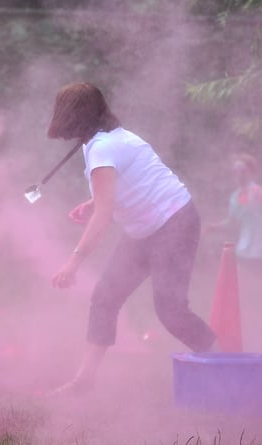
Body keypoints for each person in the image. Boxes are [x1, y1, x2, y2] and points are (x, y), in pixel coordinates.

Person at [46, 82, 217, 394]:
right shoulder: (96, 142)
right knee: (104, 298)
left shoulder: (102, 147)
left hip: (174, 221)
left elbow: (105, 215)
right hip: (142, 229)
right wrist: (93, 202)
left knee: (170, 309)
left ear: (77, 116)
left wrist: (74, 262)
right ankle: (84, 382)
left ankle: (221, 362)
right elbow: (117, 190)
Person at [203, 153, 262, 351]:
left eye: (242, 171)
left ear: (251, 172)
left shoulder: (257, 192)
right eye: (236, 172)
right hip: (245, 252)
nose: (239, 175)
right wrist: (213, 227)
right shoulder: (235, 197)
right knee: (246, 293)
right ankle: (250, 332)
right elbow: (232, 223)